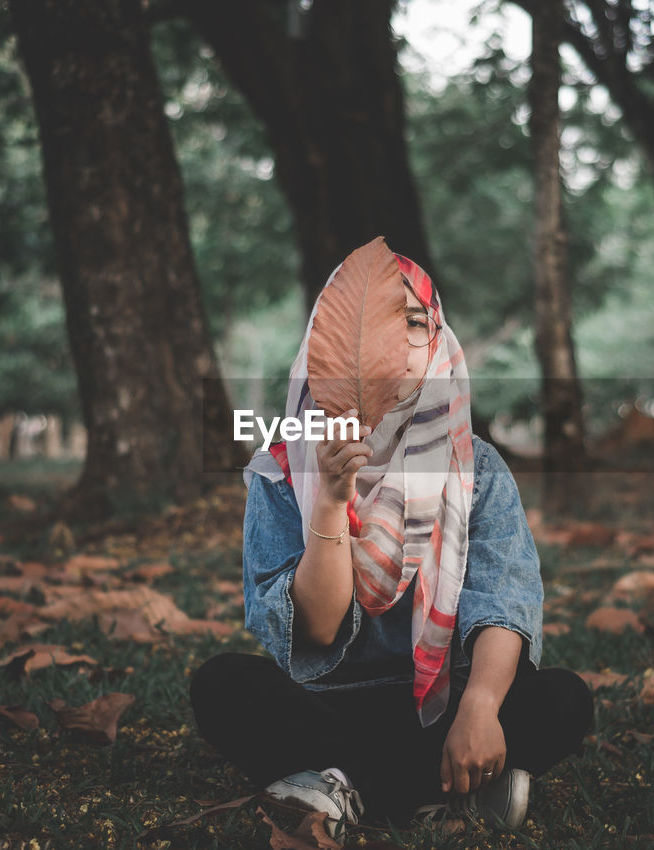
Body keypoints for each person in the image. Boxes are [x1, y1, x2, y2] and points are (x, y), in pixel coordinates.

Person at [189, 250, 593, 840]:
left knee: (562, 699)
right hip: (330, 704)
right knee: (224, 686)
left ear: (436, 340)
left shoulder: (475, 465)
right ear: (329, 342)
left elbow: (502, 597)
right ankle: (441, 792)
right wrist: (329, 500)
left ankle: (341, 785)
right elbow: (317, 633)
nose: (395, 339)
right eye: (374, 320)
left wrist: (480, 708)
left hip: (445, 697)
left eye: (412, 320)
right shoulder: (281, 470)